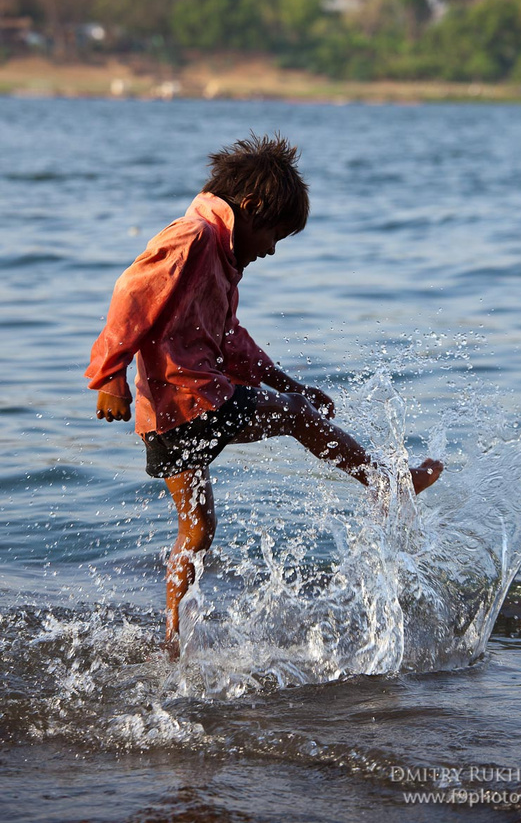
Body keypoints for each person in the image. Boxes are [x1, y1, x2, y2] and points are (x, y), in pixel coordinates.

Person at [86, 133, 442, 656]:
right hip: (199, 401)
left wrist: (286, 382)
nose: (272, 249)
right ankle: (382, 482)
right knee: (297, 418)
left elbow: (233, 342)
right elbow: (129, 295)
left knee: (198, 528)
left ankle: (171, 639)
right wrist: (108, 374)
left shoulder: (221, 260)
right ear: (250, 210)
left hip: (166, 417)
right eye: (274, 234)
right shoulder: (194, 238)